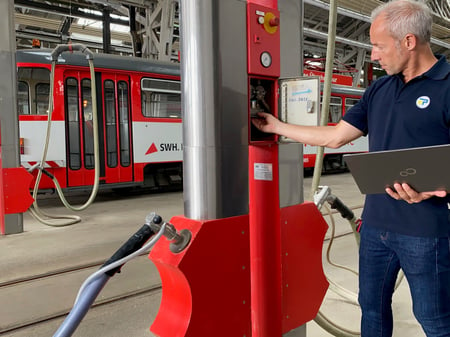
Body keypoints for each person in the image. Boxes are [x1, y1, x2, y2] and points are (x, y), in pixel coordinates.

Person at [252, 0, 450, 336]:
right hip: (375, 227)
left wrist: (437, 187)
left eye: (378, 45)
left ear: (409, 41)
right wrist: (276, 127)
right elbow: (335, 137)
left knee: (435, 320)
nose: (373, 55)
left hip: (425, 231)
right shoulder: (380, 89)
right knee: (371, 311)